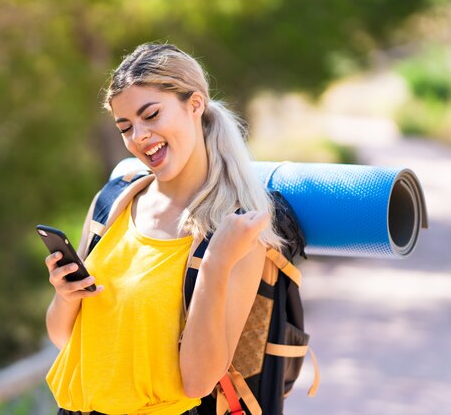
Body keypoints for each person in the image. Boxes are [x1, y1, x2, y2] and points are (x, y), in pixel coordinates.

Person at [44, 43, 284, 415]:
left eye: (151, 115)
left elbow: (198, 382)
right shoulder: (112, 203)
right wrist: (65, 295)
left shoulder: (235, 233)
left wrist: (216, 264)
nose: (138, 136)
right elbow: (65, 340)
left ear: (195, 104)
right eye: (125, 127)